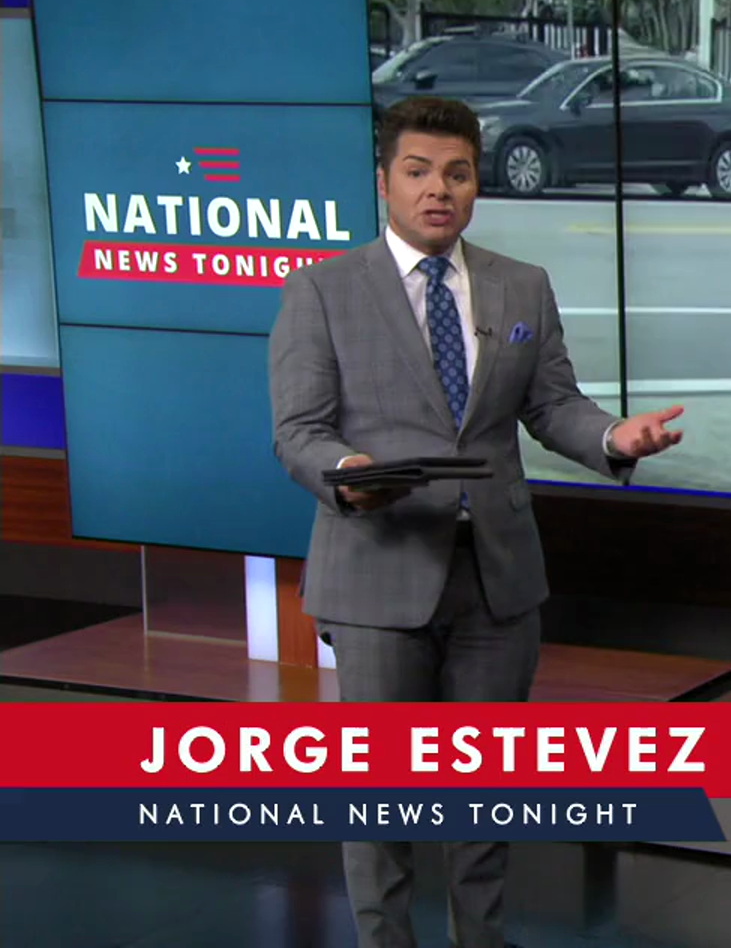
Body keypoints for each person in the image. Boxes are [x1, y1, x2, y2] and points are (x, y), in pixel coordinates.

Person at [268, 96, 686, 948]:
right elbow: (299, 431)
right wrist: (348, 476)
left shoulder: (519, 284)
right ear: (385, 182)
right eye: (418, 172)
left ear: (477, 185)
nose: (439, 190)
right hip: (379, 570)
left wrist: (614, 437)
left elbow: (553, 405)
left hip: (495, 580)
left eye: (457, 174)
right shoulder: (322, 290)